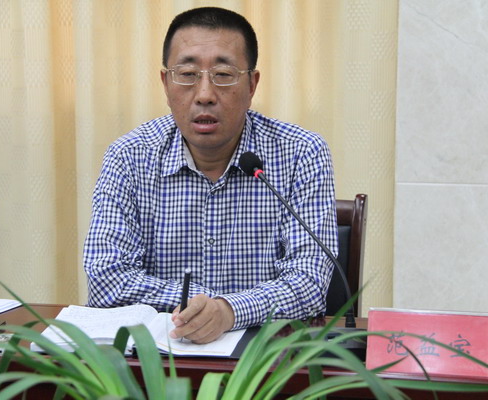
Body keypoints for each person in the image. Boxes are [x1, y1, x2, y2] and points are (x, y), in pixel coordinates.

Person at [83, 7, 338, 344]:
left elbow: (310, 281)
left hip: (265, 358)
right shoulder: (129, 156)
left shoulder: (301, 153)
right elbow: (105, 278)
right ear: (166, 83)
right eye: (187, 74)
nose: (204, 95)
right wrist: (204, 307)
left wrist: (229, 311)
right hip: (159, 357)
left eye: (223, 74)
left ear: (252, 84)